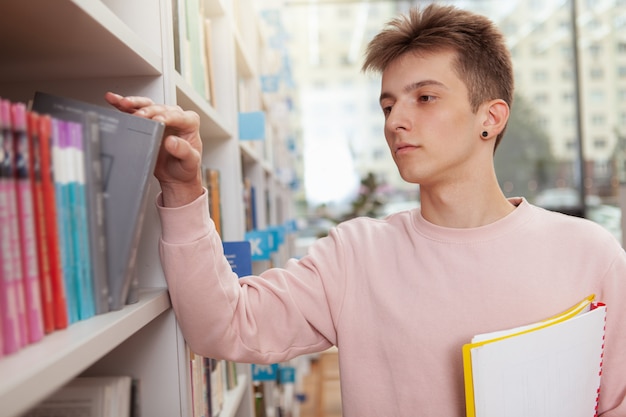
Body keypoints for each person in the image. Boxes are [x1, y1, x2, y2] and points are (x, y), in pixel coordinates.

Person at [106, 4, 626, 416]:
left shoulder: (590, 254)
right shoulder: (355, 255)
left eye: (424, 97)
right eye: (387, 104)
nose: (396, 120)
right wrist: (182, 190)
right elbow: (222, 326)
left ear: (490, 117)